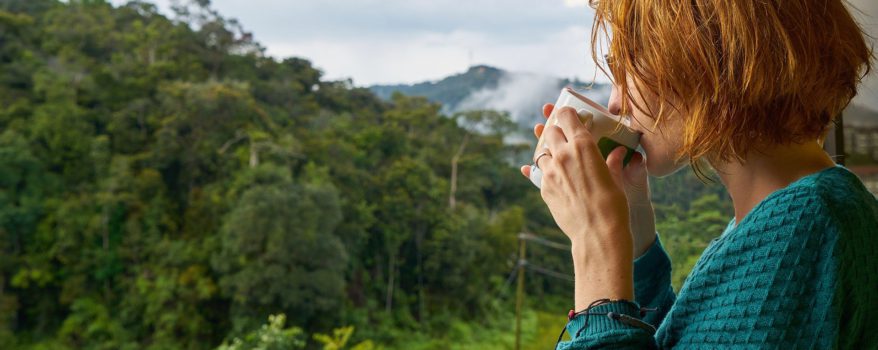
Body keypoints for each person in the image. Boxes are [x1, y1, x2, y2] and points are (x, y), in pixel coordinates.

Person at [519, 0, 877, 348]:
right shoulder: (790, 214)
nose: (616, 103)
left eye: (627, 70)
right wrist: (633, 239)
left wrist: (595, 244)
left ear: (704, 62)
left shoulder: (804, 225)